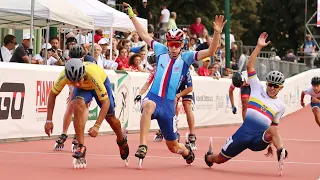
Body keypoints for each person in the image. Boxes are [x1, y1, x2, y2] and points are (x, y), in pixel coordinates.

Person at [123, 2, 226, 168]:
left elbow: (211, 52)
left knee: (173, 146)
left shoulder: (186, 57)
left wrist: (216, 33)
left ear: (182, 45)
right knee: (147, 106)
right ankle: (143, 146)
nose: (173, 47)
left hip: (169, 106)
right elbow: (143, 34)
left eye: (177, 45)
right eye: (170, 44)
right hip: (154, 97)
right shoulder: (160, 50)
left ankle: (186, 152)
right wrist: (132, 16)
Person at [204, 32, 288, 175]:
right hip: (243, 134)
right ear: (266, 83)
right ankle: (209, 157)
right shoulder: (256, 87)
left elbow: (273, 127)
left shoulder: (280, 106)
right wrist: (259, 47)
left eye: (276, 86)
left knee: (275, 130)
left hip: (259, 139)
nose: (272, 88)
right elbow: (250, 65)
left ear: (280, 88)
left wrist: (272, 145)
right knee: (219, 159)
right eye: (270, 84)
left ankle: (282, 153)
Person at [44, 58, 129, 168]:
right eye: (73, 82)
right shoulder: (64, 76)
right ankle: (81, 146)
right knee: (77, 104)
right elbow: (52, 95)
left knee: (110, 118)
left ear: (83, 73)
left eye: (78, 80)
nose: (76, 84)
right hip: (85, 89)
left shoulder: (93, 75)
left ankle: (121, 140)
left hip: (100, 83)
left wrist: (97, 126)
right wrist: (48, 120)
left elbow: (105, 103)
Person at [135, 53, 198, 150]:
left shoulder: (178, 67)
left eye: (156, 65)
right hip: (172, 87)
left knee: (187, 105)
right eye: (153, 66)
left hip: (183, 84)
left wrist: (178, 95)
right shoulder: (155, 71)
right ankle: (170, 127)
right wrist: (140, 93)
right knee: (171, 103)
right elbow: (147, 83)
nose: (155, 67)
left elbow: (189, 88)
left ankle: (192, 134)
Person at [53, 45, 96, 152]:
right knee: (71, 105)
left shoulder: (90, 61)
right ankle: (64, 133)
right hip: (74, 81)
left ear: (83, 57)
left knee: (84, 106)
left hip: (88, 84)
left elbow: (95, 74)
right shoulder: (69, 63)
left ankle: (78, 134)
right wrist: (71, 92)